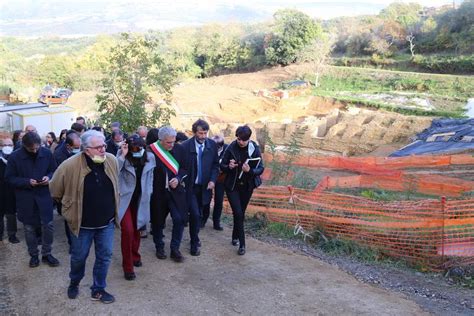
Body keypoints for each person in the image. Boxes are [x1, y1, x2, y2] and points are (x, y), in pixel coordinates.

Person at [49, 130, 119, 303]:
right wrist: (68, 208)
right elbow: (55, 190)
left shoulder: (111, 160)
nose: (103, 149)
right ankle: (74, 282)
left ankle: (98, 288)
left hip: (106, 223)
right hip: (82, 225)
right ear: (86, 149)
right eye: (98, 147)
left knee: (105, 256)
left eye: (104, 145)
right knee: (79, 257)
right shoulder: (69, 165)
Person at [5, 132, 59, 266]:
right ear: (24, 146)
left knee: (48, 226)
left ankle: (47, 253)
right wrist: (27, 182)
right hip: (26, 198)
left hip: (44, 195)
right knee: (29, 228)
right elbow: (9, 178)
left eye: (37, 148)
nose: (35, 151)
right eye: (31, 149)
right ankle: (33, 254)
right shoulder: (14, 157)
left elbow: (55, 170)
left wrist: (49, 177)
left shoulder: (46, 153)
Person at [220, 125, 264, 255]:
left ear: (249, 139)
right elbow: (222, 165)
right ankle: (242, 245)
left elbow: (261, 168)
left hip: (247, 186)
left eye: (244, 140)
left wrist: (250, 170)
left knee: (240, 213)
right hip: (232, 186)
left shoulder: (254, 148)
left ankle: (235, 236)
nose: (241, 142)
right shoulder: (231, 147)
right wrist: (229, 166)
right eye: (239, 139)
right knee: (238, 213)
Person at [117, 135, 155, 280]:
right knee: (128, 230)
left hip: (141, 199)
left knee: (138, 227)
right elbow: (113, 171)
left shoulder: (150, 157)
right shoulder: (122, 156)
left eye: (139, 148)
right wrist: (122, 154)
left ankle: (135, 255)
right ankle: (128, 267)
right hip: (125, 199)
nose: (136, 150)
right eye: (133, 148)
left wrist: (149, 193)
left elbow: (150, 177)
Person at [149, 126, 188, 262]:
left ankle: (175, 249)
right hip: (158, 193)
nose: (172, 145)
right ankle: (159, 246)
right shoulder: (151, 151)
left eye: (173, 141)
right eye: (168, 142)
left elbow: (184, 168)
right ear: (160, 140)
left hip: (176, 192)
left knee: (179, 219)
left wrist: (177, 179)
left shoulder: (180, 149)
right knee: (158, 221)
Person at [182, 119, 219, 256]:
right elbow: (181, 167)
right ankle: (194, 242)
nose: (203, 136)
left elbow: (216, 165)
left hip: (205, 188)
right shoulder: (185, 146)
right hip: (190, 188)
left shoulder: (212, 145)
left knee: (201, 214)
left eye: (205, 133)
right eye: (200, 133)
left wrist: (213, 180)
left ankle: (195, 237)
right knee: (195, 215)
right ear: (194, 132)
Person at [53, 132, 81, 249]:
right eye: (76, 148)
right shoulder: (59, 155)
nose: (79, 149)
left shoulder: (82, 150)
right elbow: (59, 177)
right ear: (68, 146)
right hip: (68, 190)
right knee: (69, 217)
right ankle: (72, 243)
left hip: (81, 187)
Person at [202, 134, 228, 230]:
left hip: (221, 178)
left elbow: (229, 163)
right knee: (206, 199)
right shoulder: (207, 147)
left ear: (221, 146)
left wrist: (223, 168)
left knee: (219, 200)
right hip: (208, 177)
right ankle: (203, 219)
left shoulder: (227, 149)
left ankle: (216, 222)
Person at [0, 137, 19, 243]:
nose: (8, 147)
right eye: (5, 145)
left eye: (10, 145)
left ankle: (12, 234)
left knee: (11, 213)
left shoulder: (15, 158)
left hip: (11, 189)